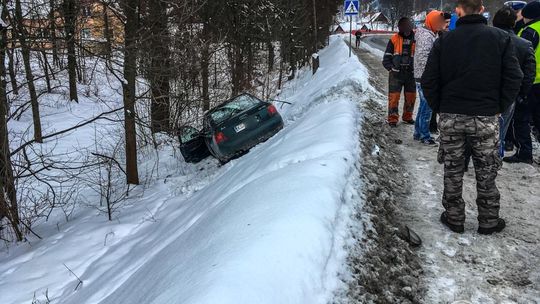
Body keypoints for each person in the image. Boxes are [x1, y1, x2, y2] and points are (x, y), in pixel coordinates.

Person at [421, 0, 523, 235]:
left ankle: (454, 217)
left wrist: (440, 107)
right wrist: (499, 106)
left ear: (458, 11)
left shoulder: (445, 40)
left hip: (451, 115)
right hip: (485, 116)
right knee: (486, 169)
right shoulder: (500, 39)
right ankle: (488, 220)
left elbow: (429, 80)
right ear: (482, 9)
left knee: (453, 168)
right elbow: (514, 77)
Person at [493, 6, 536, 158]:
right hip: (510, 94)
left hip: (486, 91)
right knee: (502, 128)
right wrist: (521, 93)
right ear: (513, 23)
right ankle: (497, 155)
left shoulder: (486, 39)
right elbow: (529, 73)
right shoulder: (524, 44)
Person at [505, 1, 540, 164]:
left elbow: (520, 56)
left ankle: (524, 152)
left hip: (531, 81)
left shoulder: (530, 31)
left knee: (521, 118)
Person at [413, 10, 445, 145]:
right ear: (431, 21)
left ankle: (418, 132)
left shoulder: (429, 34)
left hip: (422, 76)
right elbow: (424, 58)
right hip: (425, 77)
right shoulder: (427, 37)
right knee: (427, 106)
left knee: (423, 106)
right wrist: (432, 75)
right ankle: (425, 136)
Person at [382, 17, 416, 127]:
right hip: (396, 74)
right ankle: (392, 119)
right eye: (403, 26)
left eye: (408, 25)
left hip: (411, 73)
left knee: (411, 96)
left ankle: (407, 117)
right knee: (394, 97)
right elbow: (386, 58)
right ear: (399, 27)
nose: (406, 28)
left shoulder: (416, 39)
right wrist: (391, 68)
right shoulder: (394, 39)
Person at [430, 12, 454, 134]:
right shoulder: (435, 35)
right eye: (445, 22)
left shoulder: (451, 34)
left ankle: (439, 125)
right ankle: (432, 124)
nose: (446, 25)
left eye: (448, 23)